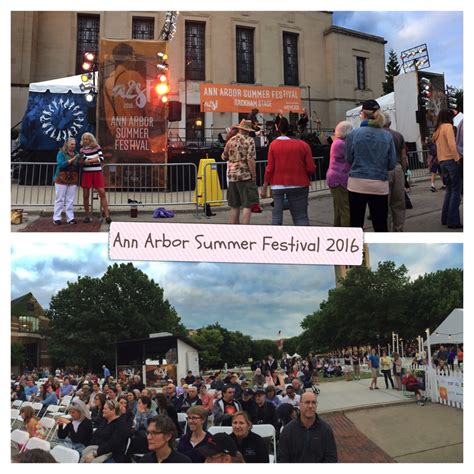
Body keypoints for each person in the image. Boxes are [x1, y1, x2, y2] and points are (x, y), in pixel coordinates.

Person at [345, 99, 396, 231]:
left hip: (357, 184)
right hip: (379, 184)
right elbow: (391, 164)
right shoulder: (387, 136)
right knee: (380, 226)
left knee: (355, 225)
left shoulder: (353, 135)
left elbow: (349, 159)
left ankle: (356, 251)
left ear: (363, 114)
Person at [261, 117, 316, 226]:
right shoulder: (303, 145)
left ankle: (276, 240)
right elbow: (311, 168)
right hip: (299, 183)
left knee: (276, 217)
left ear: (277, 128)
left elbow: (270, 168)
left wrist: (265, 186)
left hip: (278, 185)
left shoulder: (273, 145)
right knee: (301, 217)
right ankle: (305, 242)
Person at [278, 391, 337, 462]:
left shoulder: (325, 430)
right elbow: (283, 459)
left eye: (313, 402)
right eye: (307, 402)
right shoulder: (288, 431)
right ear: (300, 405)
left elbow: (331, 458)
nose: (310, 406)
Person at [221, 119, 259, 224]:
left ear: (240, 128)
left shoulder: (231, 140)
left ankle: (233, 230)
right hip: (245, 176)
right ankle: (244, 230)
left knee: (234, 206)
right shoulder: (250, 140)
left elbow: (224, 156)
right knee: (247, 205)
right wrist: (254, 175)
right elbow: (250, 159)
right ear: (248, 130)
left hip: (232, 176)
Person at [433, 109, 462, 228]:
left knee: (449, 190)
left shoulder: (438, 129)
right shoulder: (448, 127)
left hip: (442, 162)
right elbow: (452, 144)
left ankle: (445, 218)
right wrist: (457, 159)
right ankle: (453, 221)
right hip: (451, 160)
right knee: (456, 191)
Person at [79, 132, 111, 224]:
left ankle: (107, 215)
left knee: (102, 192)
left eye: (87, 139)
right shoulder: (82, 150)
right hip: (87, 173)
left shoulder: (97, 147)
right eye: (84, 139)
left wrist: (91, 160)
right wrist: (95, 159)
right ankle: (87, 215)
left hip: (97, 173)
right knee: (85, 195)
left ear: (91, 139)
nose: (85, 140)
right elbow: (85, 161)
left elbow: (101, 159)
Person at [383, 112, 408, 231]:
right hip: (397, 168)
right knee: (398, 202)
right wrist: (404, 173)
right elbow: (404, 157)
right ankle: (398, 229)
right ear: (390, 123)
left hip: (382, 170)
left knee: (384, 204)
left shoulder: (378, 135)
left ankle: (385, 230)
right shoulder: (398, 135)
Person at [326, 121, 354, 226]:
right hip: (340, 180)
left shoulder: (337, 142)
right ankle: (347, 235)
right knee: (345, 210)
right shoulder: (341, 144)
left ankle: (337, 231)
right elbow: (351, 158)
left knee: (339, 208)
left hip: (335, 178)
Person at [52, 137, 79, 225]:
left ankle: (70, 218)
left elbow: (78, 165)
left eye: (74, 144)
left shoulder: (76, 154)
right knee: (60, 199)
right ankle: (56, 218)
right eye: (71, 144)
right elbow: (61, 164)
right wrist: (70, 161)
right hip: (61, 178)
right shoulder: (61, 153)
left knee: (70, 200)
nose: (73, 146)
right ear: (67, 144)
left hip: (72, 178)